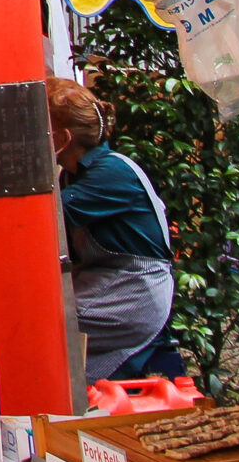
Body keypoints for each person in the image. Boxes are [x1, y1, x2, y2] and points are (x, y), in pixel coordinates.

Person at [50, 78, 177, 382]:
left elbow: (45, 218)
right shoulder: (72, 175)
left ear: (62, 137)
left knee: (50, 325)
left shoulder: (112, 173)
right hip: (105, 279)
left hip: (133, 290)